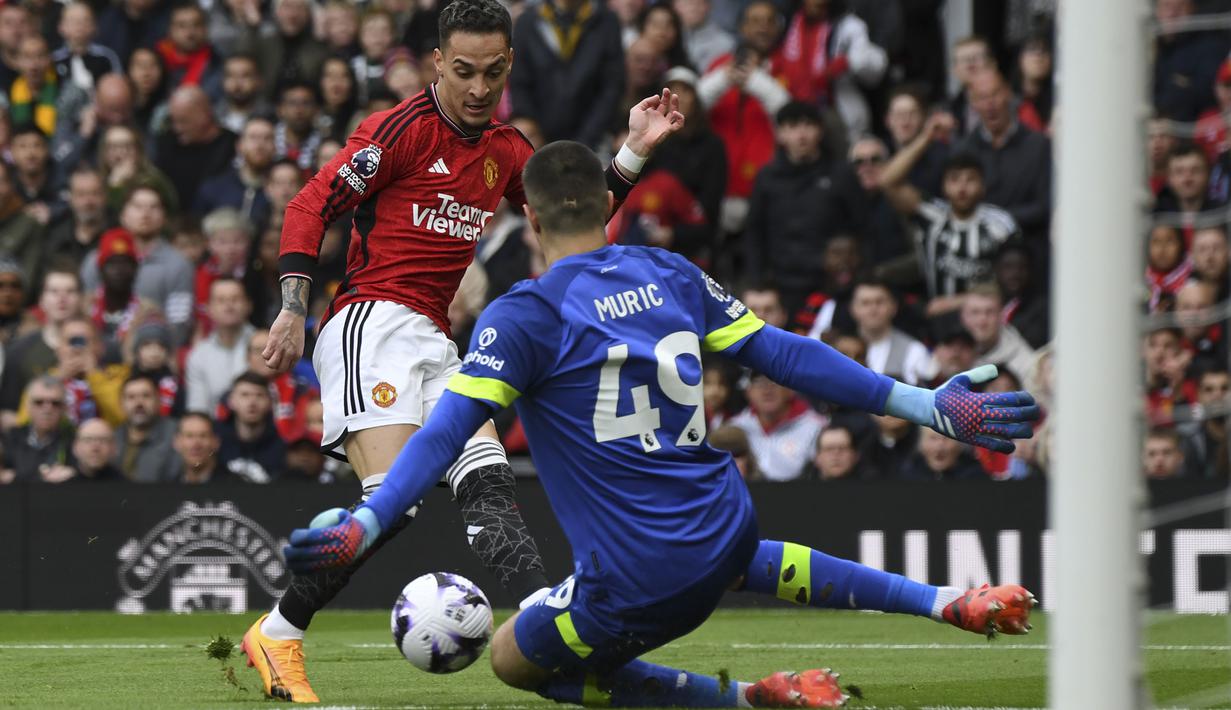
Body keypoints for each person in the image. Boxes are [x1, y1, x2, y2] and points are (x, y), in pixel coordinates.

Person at [284, 140, 1039, 708]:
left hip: (637, 581)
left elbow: (447, 430)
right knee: (740, 556)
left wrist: (368, 520)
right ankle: (947, 601)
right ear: (601, 205)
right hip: (724, 526)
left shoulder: (527, 313)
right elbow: (782, 354)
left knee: (515, 657)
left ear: (529, 215)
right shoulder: (669, 273)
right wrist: (923, 404)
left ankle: (742, 699)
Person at [243, 0, 685, 702]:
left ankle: (551, 641)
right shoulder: (399, 132)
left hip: (433, 337)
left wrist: (634, 149)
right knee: (394, 504)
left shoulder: (506, 150)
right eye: (463, 72)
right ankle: (278, 633)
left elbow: (575, 218)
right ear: (437, 65)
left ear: (509, 64)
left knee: (491, 493)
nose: (478, 88)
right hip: (370, 324)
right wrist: (293, 307)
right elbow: (309, 204)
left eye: (492, 72)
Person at [881, 116, 1019, 311]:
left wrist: (956, 302)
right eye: (954, 179)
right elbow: (888, 181)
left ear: (983, 186)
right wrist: (926, 137)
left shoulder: (1001, 224)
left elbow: (1015, 281)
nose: (962, 188)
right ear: (944, 186)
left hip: (987, 318)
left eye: (970, 179)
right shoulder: (931, 214)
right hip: (939, 325)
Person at [742, 101, 846, 313]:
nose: (801, 135)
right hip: (779, 284)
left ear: (820, 131)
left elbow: (859, 227)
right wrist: (757, 281)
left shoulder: (840, 175)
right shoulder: (767, 177)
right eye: (792, 127)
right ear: (780, 134)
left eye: (808, 125)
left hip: (829, 284)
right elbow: (754, 231)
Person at [81, 186, 195, 346]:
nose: (145, 214)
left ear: (164, 216)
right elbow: (85, 310)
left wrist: (159, 356)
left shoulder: (179, 264)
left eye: (153, 207)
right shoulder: (96, 259)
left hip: (152, 354)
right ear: (123, 214)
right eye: (137, 206)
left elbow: (179, 322)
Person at [509, 0, 625, 148]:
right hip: (539, 135)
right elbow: (519, 82)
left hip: (594, 137)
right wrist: (528, 121)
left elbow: (612, 86)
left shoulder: (606, 21)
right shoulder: (528, 21)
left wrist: (585, 140)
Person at [957, 69, 1052, 239]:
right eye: (982, 97)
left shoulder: (1039, 145)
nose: (990, 104)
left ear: (1008, 93)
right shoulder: (963, 150)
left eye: (995, 94)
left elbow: (1045, 204)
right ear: (972, 103)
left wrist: (1000, 220)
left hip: (1027, 247)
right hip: (979, 251)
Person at [0, 268, 81, 427]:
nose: (62, 298)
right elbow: (8, 415)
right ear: (41, 300)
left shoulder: (103, 349)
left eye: (70, 291)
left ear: (82, 298)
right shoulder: (17, 352)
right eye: (54, 291)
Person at [730, 371, 824, 481]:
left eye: (774, 381)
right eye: (758, 383)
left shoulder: (816, 427)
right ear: (748, 391)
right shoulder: (734, 428)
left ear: (790, 389)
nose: (767, 390)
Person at [153, 85, 238, 208]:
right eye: (173, 121)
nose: (177, 128)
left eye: (183, 121)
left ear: (204, 115)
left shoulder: (232, 145)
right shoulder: (167, 142)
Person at [185, 278, 255, 413]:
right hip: (214, 430)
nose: (229, 306)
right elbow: (198, 409)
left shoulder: (264, 346)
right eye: (221, 300)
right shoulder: (199, 355)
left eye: (235, 299)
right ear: (208, 308)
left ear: (248, 305)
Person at [194, 116, 274, 225]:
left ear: (275, 147)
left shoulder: (285, 190)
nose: (260, 145)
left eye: (267, 138)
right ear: (239, 145)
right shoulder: (214, 188)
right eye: (253, 138)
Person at [848, 280, 929, 386]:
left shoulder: (914, 350)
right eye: (865, 303)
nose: (873, 309)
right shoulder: (839, 348)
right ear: (853, 309)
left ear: (894, 307)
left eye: (879, 302)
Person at [0, 376, 73, 483]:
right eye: (39, 402)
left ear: (64, 408)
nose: (47, 409)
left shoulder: (73, 441)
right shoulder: (9, 439)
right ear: (28, 406)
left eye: (55, 403)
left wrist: (74, 474)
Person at [216, 371, 285, 483]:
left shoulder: (282, 443)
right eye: (245, 395)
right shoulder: (216, 439)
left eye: (259, 395)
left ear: (270, 402)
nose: (252, 402)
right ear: (231, 401)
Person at [960, 284, 1036, 384]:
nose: (982, 321)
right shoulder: (947, 352)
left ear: (1001, 316)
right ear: (963, 317)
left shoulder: (1025, 362)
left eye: (990, 312)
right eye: (975, 312)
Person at [113, 373, 178, 483]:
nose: (139, 403)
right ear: (121, 404)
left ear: (159, 400)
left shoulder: (177, 433)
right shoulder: (112, 437)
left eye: (146, 396)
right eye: (131, 397)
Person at [44, 167, 108, 271]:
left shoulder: (117, 234)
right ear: (71, 198)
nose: (88, 201)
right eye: (81, 194)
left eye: (95, 193)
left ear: (104, 196)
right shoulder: (55, 238)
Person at [1180, 367, 1230, 479]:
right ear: (1199, 396)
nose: (1217, 395)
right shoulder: (1187, 440)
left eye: (1225, 388)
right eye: (1209, 389)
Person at [216, 54, 268, 135]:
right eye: (231, 76)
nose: (237, 84)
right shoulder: (213, 116)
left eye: (245, 76)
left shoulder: (270, 117)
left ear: (259, 81)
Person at [174, 410, 228, 484]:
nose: (195, 444)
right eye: (189, 436)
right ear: (177, 442)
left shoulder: (237, 487)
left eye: (203, 436)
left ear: (216, 442)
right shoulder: (167, 489)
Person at [66, 417, 122, 482]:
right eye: (88, 440)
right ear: (75, 447)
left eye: (102, 440)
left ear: (113, 448)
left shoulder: (126, 487)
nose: (95, 448)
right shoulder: (61, 484)